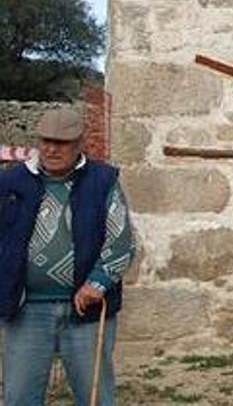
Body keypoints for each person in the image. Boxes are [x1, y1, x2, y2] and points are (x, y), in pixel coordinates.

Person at [1, 107, 136, 406]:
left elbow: (122, 241)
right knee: (18, 397)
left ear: (79, 145)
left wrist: (98, 283)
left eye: (61, 143)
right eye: (46, 140)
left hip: (86, 311)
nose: (51, 148)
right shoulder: (10, 182)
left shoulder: (103, 181)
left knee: (95, 398)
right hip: (25, 310)